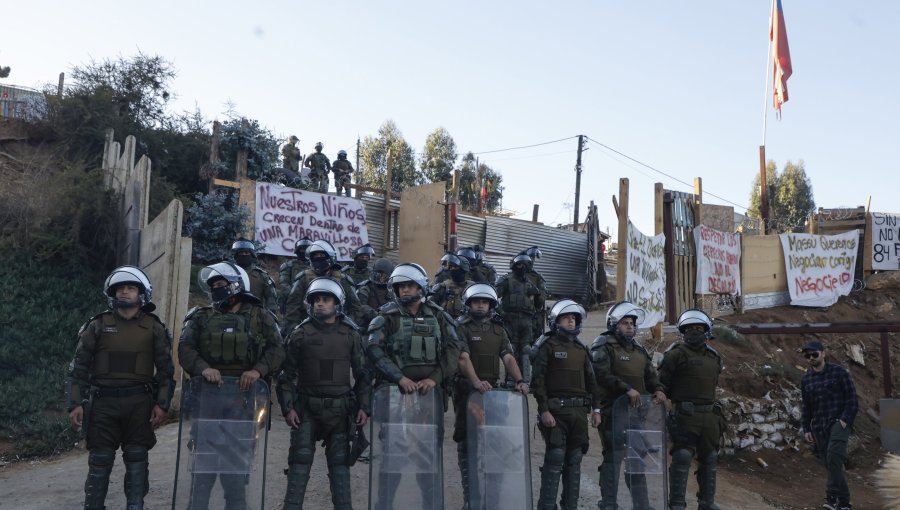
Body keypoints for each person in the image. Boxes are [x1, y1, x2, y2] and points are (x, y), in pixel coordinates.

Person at [177, 262, 285, 510]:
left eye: (221, 285)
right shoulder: (200, 317)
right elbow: (185, 348)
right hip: (207, 400)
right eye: (213, 285)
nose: (216, 289)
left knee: (236, 473)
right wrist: (204, 368)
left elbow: (278, 349)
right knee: (202, 471)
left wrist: (257, 370)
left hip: (244, 401)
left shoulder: (260, 316)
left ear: (236, 286)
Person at [67, 266, 175, 510]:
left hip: (139, 404)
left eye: (131, 288)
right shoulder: (96, 325)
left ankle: (135, 506)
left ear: (141, 293)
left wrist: (162, 403)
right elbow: (78, 368)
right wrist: (75, 404)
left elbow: (167, 371)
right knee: (99, 461)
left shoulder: (154, 327)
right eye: (120, 288)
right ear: (112, 293)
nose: (124, 292)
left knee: (137, 460)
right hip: (103, 404)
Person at [365, 262, 463, 507]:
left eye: (409, 285)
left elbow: (454, 350)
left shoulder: (439, 315)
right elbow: (374, 349)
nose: (404, 291)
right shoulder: (386, 316)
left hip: (430, 399)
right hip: (396, 398)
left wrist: (435, 378)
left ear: (420, 287)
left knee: (428, 458)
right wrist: (399, 378)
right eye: (400, 287)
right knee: (392, 458)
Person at [276, 277, 371, 510]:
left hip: (340, 410)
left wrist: (364, 407)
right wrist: (288, 408)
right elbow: (285, 375)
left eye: (326, 299)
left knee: (340, 467)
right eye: (316, 299)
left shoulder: (351, 335)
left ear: (337, 303)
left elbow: (363, 376)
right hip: (306, 408)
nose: (320, 304)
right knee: (299, 464)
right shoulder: (300, 334)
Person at [453, 283, 528, 506]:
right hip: (467, 393)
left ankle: (492, 500)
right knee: (467, 444)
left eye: (484, 302)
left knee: (494, 444)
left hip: (493, 394)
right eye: (476, 301)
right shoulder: (460, 327)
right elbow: (462, 358)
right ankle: (471, 499)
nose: (480, 305)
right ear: (468, 304)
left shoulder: (498, 330)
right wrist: (475, 382)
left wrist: (520, 380)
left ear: (491, 305)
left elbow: (508, 357)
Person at [590, 301, 667, 510]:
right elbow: (601, 374)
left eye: (632, 323)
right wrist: (626, 389)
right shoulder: (603, 345)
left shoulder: (640, 350)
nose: (630, 326)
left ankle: (642, 505)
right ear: (614, 324)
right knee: (613, 457)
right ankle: (608, 503)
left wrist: (658, 389)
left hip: (636, 415)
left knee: (636, 459)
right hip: (612, 412)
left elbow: (651, 377)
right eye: (625, 323)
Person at [531, 299, 603, 510]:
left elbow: (592, 382)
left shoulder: (582, 349)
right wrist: (544, 410)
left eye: (574, 318)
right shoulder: (547, 346)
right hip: (556, 412)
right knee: (555, 458)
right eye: (566, 317)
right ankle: (546, 506)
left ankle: (570, 506)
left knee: (574, 461)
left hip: (579, 414)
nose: (571, 321)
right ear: (556, 321)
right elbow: (538, 381)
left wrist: (596, 410)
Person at [658, 309, 724, 510]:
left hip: (709, 415)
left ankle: (707, 502)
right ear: (682, 331)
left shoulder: (714, 357)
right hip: (685, 415)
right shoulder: (675, 354)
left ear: (707, 331)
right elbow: (661, 383)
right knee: (682, 456)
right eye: (689, 329)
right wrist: (660, 392)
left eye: (698, 328)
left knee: (710, 457)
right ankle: (677, 503)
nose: (694, 332)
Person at [800, 340, 858, 510]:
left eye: (814, 354)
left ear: (823, 354)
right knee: (830, 463)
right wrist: (807, 428)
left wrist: (844, 420)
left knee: (834, 456)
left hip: (838, 423)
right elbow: (807, 406)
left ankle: (831, 497)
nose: (811, 358)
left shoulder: (839, 373)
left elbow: (852, 400)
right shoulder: (806, 379)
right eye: (807, 356)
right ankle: (845, 502)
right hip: (819, 426)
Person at [283, 239, 362, 331]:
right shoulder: (303, 277)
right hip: (309, 328)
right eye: (315, 255)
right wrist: (295, 329)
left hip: (337, 329)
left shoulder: (343, 279)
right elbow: (293, 306)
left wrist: (346, 326)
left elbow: (356, 307)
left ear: (330, 256)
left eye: (321, 255)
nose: (318, 258)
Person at [495, 253, 544, 382]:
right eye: (520, 265)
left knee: (526, 350)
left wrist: (538, 295)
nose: (522, 267)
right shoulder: (506, 280)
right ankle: (511, 380)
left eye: (525, 265)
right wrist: (502, 314)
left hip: (527, 321)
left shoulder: (530, 283)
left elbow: (539, 305)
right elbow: (493, 299)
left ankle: (525, 380)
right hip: (509, 320)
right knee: (511, 349)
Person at [231, 239, 278, 315]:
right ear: (236, 255)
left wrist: (269, 316)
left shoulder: (261, 275)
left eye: (246, 253)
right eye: (241, 253)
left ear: (252, 254)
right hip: (232, 316)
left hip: (255, 318)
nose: (244, 255)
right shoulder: (229, 273)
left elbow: (271, 300)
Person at [428, 253, 474, 319]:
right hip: (446, 323)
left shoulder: (472, 287)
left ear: (463, 269)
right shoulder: (443, 287)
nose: (452, 269)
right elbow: (429, 306)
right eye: (451, 267)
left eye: (455, 267)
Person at [520, 246, 550, 339]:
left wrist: (536, 294)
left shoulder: (537, 277)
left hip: (534, 315)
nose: (532, 261)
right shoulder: (513, 276)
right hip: (517, 316)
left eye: (533, 258)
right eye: (530, 258)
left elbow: (541, 298)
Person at [357, 257, 394, 330]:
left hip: (387, 326)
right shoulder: (366, 287)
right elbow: (360, 306)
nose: (381, 278)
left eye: (384, 276)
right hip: (367, 325)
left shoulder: (393, 289)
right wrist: (378, 315)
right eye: (378, 275)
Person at [279, 237, 313, 314]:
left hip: (311, 304)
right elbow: (284, 284)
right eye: (302, 249)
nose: (304, 252)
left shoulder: (315, 267)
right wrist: (296, 298)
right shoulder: (288, 266)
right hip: (292, 305)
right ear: (297, 251)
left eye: (307, 249)